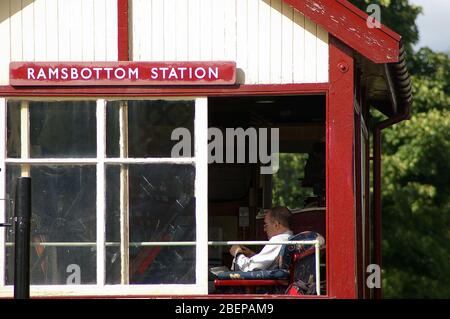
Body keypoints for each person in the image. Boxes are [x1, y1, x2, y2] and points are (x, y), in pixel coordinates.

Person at [229, 206, 293, 272]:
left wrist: (238, 253)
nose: (264, 229)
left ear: (276, 225)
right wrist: (253, 255)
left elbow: (249, 267)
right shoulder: (290, 239)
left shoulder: (278, 240)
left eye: (266, 225)